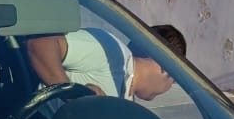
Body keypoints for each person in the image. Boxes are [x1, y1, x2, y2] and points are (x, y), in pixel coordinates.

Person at [26, 27, 174, 101]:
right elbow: (41, 44)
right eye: (174, 81)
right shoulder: (111, 51)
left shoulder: (127, 100)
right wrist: (73, 96)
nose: (168, 89)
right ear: (164, 67)